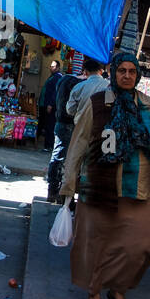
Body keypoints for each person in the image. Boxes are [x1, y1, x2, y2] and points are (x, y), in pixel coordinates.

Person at [61, 51, 150, 299]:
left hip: (138, 189)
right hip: (100, 185)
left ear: (138, 75)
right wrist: (68, 184)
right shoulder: (98, 103)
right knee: (97, 244)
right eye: (122, 71)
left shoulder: (147, 105)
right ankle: (95, 293)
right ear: (113, 73)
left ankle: (118, 290)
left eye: (132, 71)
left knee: (138, 248)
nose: (127, 76)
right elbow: (79, 142)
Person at [46, 62, 85, 199]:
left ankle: (53, 188)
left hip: (61, 121)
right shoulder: (75, 83)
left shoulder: (63, 80)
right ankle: (55, 190)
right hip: (68, 122)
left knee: (58, 155)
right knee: (63, 157)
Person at [65, 57, 108, 121]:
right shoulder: (109, 85)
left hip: (81, 125)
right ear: (100, 71)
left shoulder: (78, 87)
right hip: (102, 127)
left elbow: (70, 110)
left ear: (85, 72)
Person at [38, 61, 62, 152]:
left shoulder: (58, 77)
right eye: (51, 66)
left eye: (53, 66)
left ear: (58, 67)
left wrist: (51, 104)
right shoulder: (52, 77)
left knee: (50, 125)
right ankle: (46, 144)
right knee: (44, 123)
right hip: (44, 104)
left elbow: (55, 92)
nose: (51, 68)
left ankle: (49, 145)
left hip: (49, 105)